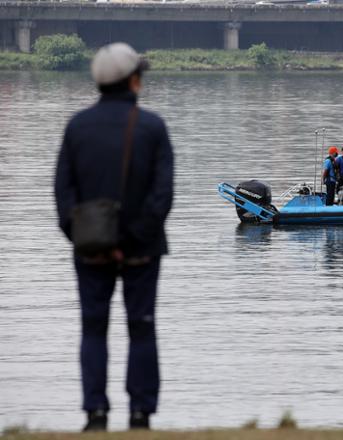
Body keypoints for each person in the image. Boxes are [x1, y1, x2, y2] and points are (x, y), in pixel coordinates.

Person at [54, 43, 174, 432]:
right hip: (143, 248)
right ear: (133, 80)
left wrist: (81, 235)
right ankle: (140, 412)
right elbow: (162, 195)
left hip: (90, 246)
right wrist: (136, 235)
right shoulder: (153, 127)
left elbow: (63, 192)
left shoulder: (76, 127)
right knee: (141, 325)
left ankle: (95, 412)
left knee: (93, 327)